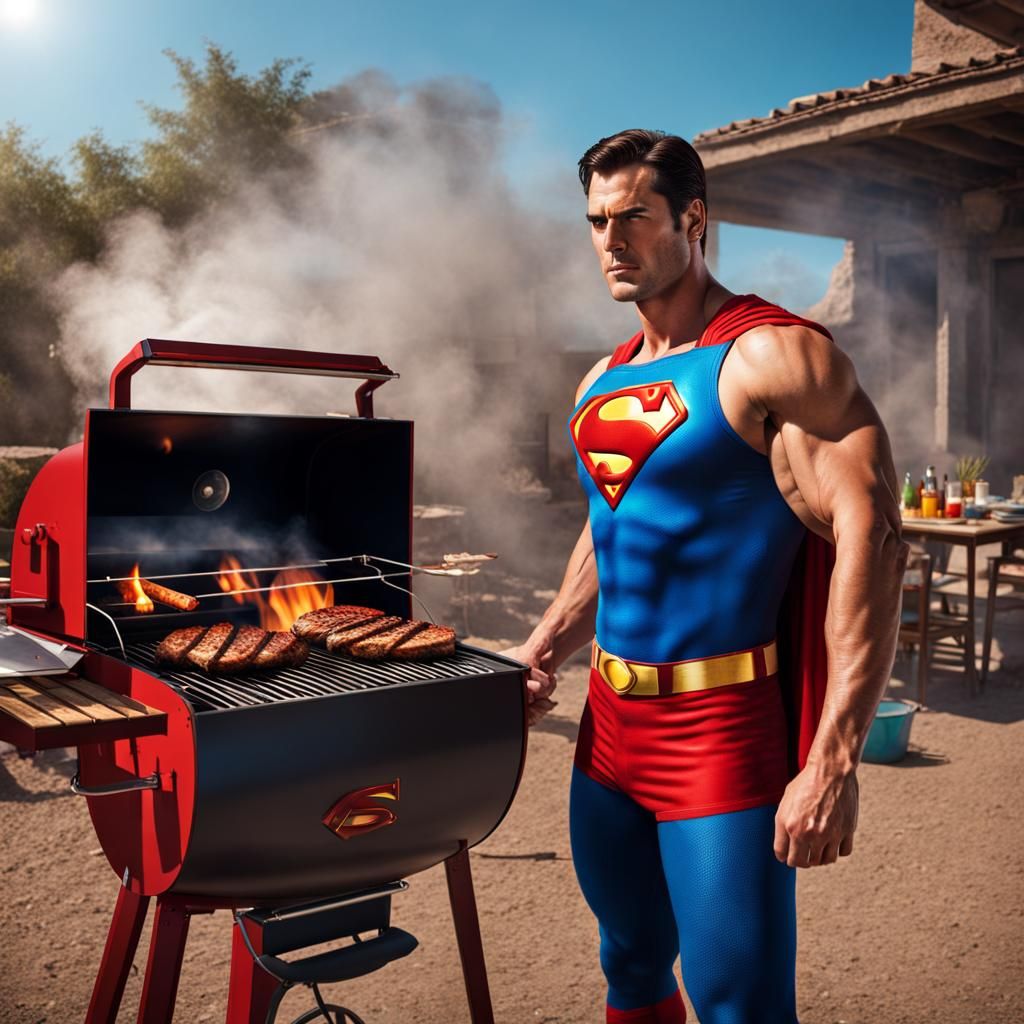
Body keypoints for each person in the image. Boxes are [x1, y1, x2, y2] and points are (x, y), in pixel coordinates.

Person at [505, 129, 908, 1023]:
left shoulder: (774, 357)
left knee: (739, 1004)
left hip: (719, 735)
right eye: (596, 222)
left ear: (693, 219)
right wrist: (541, 648)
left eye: (634, 218)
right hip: (607, 735)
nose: (611, 240)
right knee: (632, 967)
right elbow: (613, 531)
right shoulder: (599, 380)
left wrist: (833, 760)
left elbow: (874, 534)